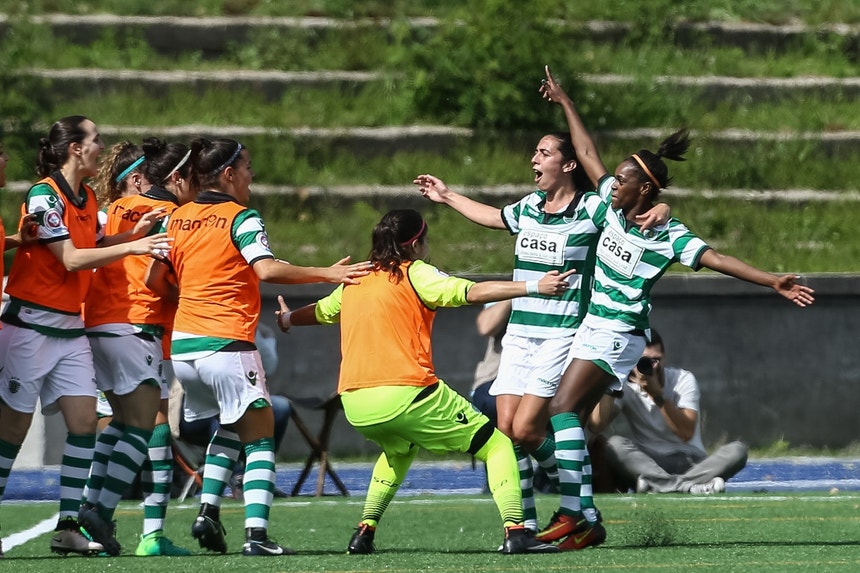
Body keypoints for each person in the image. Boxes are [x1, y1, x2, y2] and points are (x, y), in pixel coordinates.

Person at [534, 66, 815, 551]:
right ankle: (581, 516)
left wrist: (773, 280)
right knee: (564, 419)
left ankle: (575, 512)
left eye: (621, 181)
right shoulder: (611, 206)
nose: (611, 183)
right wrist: (565, 102)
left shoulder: (669, 234)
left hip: (617, 332)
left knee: (560, 410)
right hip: (594, 328)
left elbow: (718, 259)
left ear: (645, 190)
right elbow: (585, 153)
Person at [275, 208, 575, 554]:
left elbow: (322, 311)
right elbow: (471, 292)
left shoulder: (356, 278)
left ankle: (364, 532)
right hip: (407, 394)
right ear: (415, 243)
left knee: (398, 451)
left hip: (356, 404)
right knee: (498, 446)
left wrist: (287, 319)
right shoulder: (416, 273)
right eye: (426, 241)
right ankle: (517, 533)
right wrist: (535, 285)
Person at [415, 132, 668, 533]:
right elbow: (495, 217)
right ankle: (525, 528)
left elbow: (632, 214)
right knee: (507, 432)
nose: (534, 158)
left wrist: (664, 208)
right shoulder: (530, 207)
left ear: (568, 165)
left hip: (563, 335)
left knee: (529, 428)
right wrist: (447, 196)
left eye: (544, 152)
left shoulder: (591, 208)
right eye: (534, 151)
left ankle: (579, 503)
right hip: (519, 335)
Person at [144, 137, 371, 557]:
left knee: (233, 425)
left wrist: (195, 295)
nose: (252, 174)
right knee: (261, 435)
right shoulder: (241, 217)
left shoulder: (176, 218)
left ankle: (207, 508)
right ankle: (256, 535)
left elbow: (153, 282)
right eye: (247, 166)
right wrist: (326, 272)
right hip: (226, 342)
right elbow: (265, 268)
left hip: (185, 348)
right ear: (228, 174)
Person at [0, 116, 171, 557]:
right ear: (75, 148)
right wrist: (132, 247)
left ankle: (68, 527)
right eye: (95, 140)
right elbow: (74, 259)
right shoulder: (43, 195)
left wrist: (129, 234)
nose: (101, 147)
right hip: (31, 328)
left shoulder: (88, 195)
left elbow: (94, 241)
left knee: (82, 427)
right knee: (12, 432)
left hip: (69, 331)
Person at [80, 137, 196, 556]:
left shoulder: (110, 211)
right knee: (146, 427)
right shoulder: (167, 214)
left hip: (98, 324)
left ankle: (95, 515)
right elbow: (157, 278)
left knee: (124, 425)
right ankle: (104, 515)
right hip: (136, 326)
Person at [589, 330, 749, 494]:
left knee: (738, 450)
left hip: (690, 460)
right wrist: (611, 384)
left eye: (656, 360)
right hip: (649, 462)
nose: (652, 367)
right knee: (614, 444)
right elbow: (596, 425)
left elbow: (685, 433)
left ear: (664, 357)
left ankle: (660, 486)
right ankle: (688, 487)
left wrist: (657, 395)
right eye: (644, 361)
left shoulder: (683, 379)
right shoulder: (626, 386)